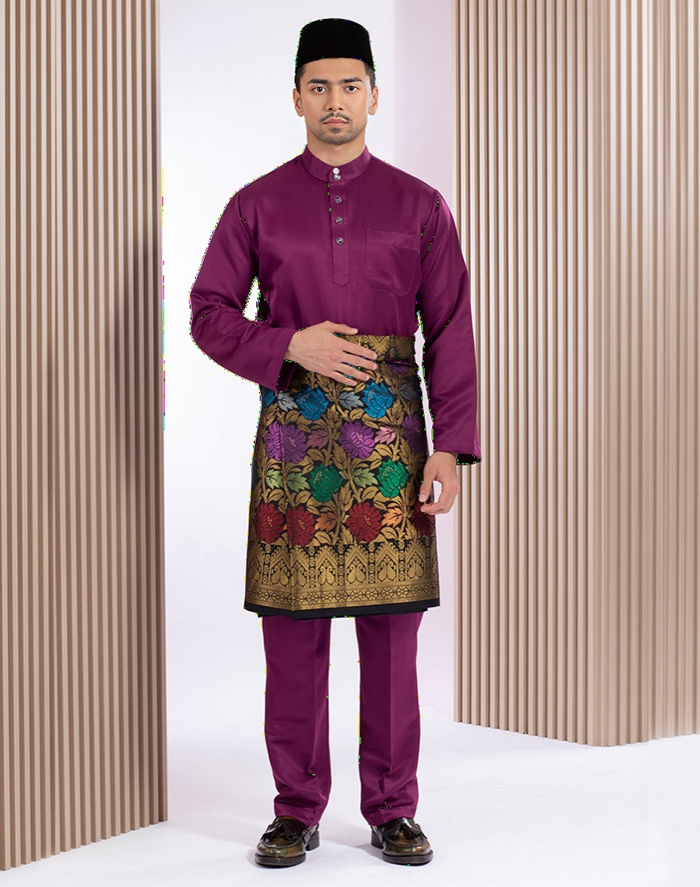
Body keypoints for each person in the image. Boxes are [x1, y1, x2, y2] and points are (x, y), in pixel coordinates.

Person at [188, 17, 481, 868]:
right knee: (292, 632)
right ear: (296, 98)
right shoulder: (255, 203)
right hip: (294, 441)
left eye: (350, 85)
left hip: (394, 443)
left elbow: (450, 329)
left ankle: (393, 807)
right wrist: (290, 343)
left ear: (374, 95)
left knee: (391, 636)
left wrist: (452, 446)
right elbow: (208, 312)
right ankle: (296, 808)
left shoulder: (421, 204)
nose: (335, 101)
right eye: (318, 86)